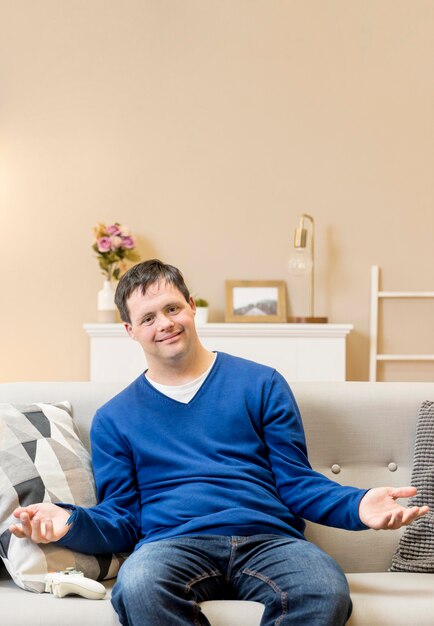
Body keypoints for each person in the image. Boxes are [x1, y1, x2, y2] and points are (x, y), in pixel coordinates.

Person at [10, 259, 428, 626]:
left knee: (323, 588)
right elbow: (123, 519)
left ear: (192, 307)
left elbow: (298, 484)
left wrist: (358, 505)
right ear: (130, 331)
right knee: (137, 587)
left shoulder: (261, 383)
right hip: (171, 544)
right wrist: (70, 522)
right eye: (149, 317)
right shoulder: (113, 419)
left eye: (172, 308)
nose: (165, 323)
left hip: (270, 540)